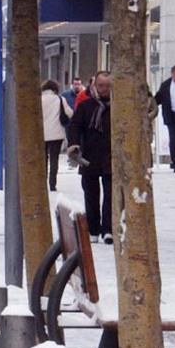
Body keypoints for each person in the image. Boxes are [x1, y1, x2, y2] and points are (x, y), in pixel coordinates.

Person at [67, 72, 113, 244]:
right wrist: (74, 144)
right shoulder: (86, 106)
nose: (104, 89)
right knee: (91, 194)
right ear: (94, 86)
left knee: (111, 195)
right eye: (101, 85)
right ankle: (93, 228)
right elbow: (75, 127)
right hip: (90, 156)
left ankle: (108, 229)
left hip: (111, 157)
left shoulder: (118, 106)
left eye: (107, 86)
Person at [41, 80, 73, 192]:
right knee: (54, 159)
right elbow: (70, 113)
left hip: (42, 134)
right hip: (56, 134)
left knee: (43, 159)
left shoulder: (39, 99)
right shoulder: (60, 99)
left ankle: (42, 182)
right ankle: (52, 184)